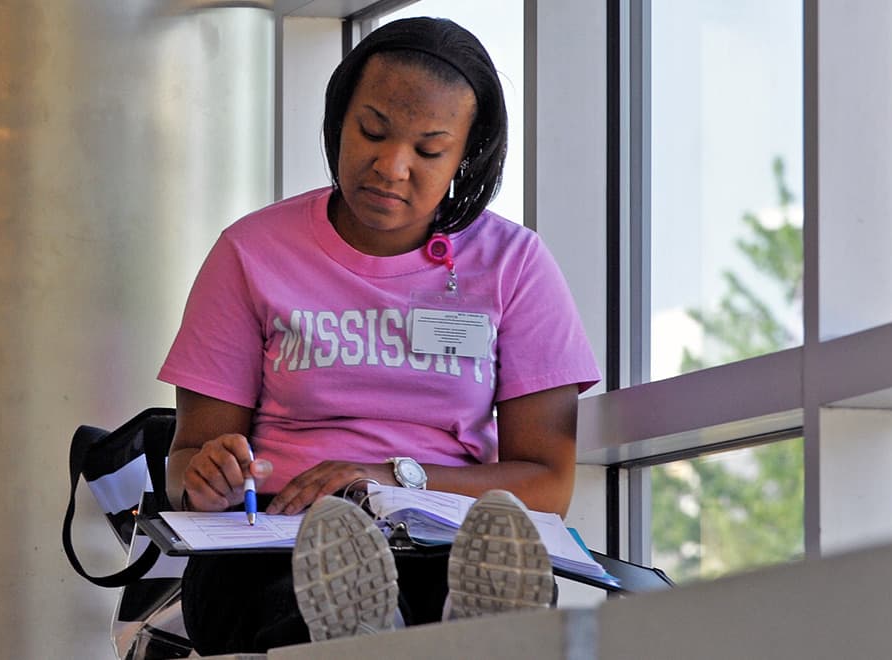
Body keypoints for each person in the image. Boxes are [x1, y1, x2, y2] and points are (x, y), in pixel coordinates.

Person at [157, 16, 600, 654]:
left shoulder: (515, 265)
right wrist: (209, 477)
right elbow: (185, 464)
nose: (391, 167)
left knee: (461, 575)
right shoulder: (249, 252)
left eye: (428, 150)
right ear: (339, 120)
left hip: (444, 535)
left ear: (466, 158)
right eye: (371, 132)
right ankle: (396, 633)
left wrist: (385, 479)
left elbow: (547, 483)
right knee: (306, 598)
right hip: (279, 537)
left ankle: (420, 629)